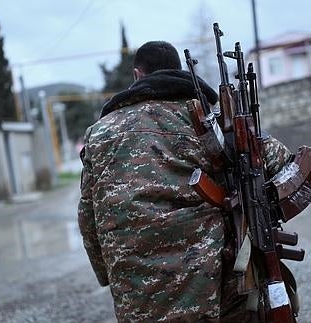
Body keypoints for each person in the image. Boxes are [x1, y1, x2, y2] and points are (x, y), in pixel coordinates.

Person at [78, 41, 292, 322]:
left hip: (136, 286)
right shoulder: (212, 120)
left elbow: (88, 217)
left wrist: (109, 271)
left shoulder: (99, 134)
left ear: (137, 75)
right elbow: (285, 165)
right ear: (178, 71)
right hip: (215, 281)